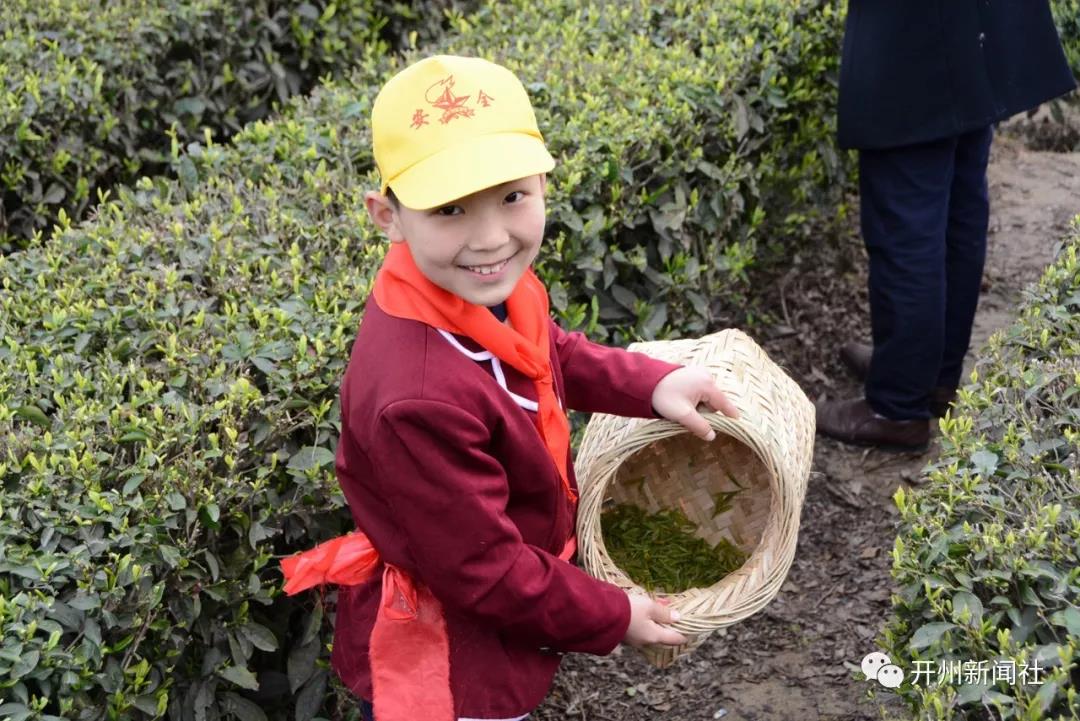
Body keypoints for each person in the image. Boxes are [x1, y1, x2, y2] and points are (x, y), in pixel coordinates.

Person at [283, 55, 740, 721]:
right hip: (451, 661)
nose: (491, 236)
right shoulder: (416, 397)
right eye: (450, 208)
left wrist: (652, 385)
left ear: (542, 182)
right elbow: (487, 571)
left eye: (512, 196)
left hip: (504, 606)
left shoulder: (477, 288)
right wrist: (614, 614)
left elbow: (546, 352)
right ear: (387, 216)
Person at [816, 0, 1076, 450]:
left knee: (907, 213)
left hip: (914, 28)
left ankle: (896, 406)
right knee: (957, 186)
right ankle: (929, 375)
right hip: (970, 23)